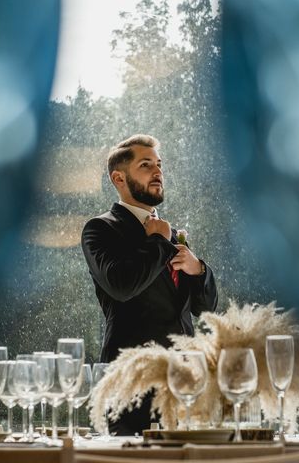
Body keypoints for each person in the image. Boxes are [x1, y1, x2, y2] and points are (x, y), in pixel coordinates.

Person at [81, 134, 218, 435]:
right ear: (119, 178)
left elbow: (204, 308)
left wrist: (199, 270)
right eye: (146, 165)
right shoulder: (99, 229)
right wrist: (157, 240)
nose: (158, 172)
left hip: (185, 384)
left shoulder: (170, 235)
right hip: (131, 384)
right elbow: (121, 285)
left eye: (159, 164)